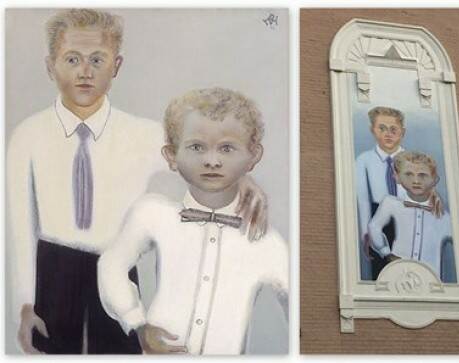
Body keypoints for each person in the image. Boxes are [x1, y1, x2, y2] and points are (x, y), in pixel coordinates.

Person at [6, 9, 266, 354]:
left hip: (116, 269)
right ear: (50, 65)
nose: (85, 71)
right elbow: (19, 229)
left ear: (116, 65)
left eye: (97, 59)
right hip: (53, 272)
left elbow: (198, 158)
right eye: (72, 59)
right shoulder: (28, 136)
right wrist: (24, 305)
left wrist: (244, 180)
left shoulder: (144, 134)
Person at [98, 87, 288, 355]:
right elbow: (111, 265)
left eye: (227, 148)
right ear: (171, 156)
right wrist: (136, 324)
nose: (212, 161)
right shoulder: (152, 213)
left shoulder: (267, 241)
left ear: (253, 156)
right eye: (197, 147)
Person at [367, 151, 451, 280]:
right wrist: (386, 253)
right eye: (409, 174)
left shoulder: (443, 216)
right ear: (397, 177)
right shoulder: (391, 203)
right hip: (396, 276)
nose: (416, 181)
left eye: (423, 175)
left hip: (430, 280)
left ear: (434, 179)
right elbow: (374, 227)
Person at [355, 106, 408, 280]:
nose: (388, 134)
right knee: (382, 273)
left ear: (402, 132)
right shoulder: (364, 160)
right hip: (378, 218)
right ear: (373, 130)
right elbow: (362, 199)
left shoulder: (411, 160)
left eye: (393, 129)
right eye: (382, 128)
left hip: (406, 215)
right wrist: (365, 233)